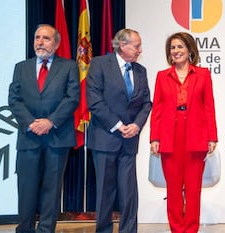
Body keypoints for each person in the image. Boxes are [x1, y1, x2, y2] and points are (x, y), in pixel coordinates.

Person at [8, 24, 80, 233]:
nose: (40, 42)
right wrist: (31, 123)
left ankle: (46, 230)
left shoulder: (69, 66)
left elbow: (72, 98)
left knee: (51, 191)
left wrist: (50, 121)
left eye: (46, 38)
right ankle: (25, 229)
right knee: (26, 189)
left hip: (57, 137)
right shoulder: (21, 67)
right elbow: (14, 99)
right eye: (37, 38)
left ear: (56, 44)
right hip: (28, 137)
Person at [150, 32, 218, 233]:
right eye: (173, 47)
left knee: (193, 189)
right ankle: (177, 229)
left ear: (189, 50)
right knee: (173, 190)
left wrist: (212, 136)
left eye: (180, 47)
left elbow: (209, 106)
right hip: (169, 137)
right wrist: (154, 137)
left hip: (196, 136)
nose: (176, 51)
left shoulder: (203, 74)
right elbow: (158, 109)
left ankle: (190, 229)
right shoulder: (162, 76)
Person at [86, 28, 152, 233]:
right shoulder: (99, 64)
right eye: (137, 45)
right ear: (122, 45)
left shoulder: (140, 70)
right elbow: (94, 101)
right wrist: (118, 125)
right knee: (105, 192)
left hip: (129, 140)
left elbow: (146, 104)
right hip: (105, 138)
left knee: (129, 192)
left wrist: (137, 125)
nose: (140, 50)